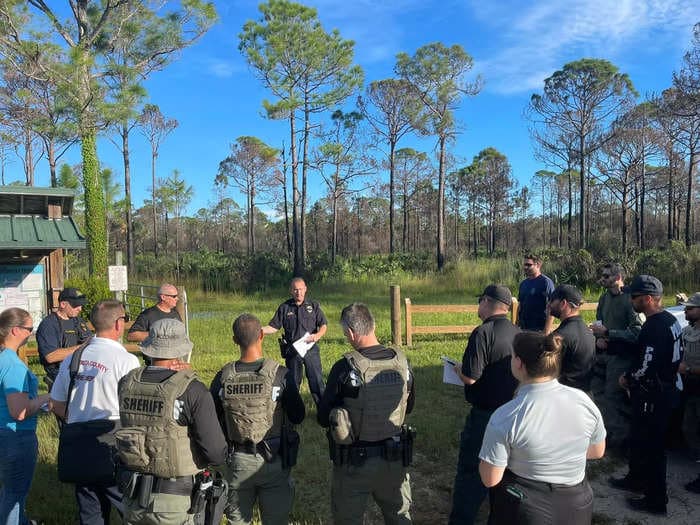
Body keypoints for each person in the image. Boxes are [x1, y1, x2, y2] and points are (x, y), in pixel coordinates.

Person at [479, 332, 606, 525]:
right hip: (577, 505)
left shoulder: (507, 415)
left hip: (525, 507)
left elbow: (490, 478)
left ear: (519, 363)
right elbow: (597, 451)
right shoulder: (584, 401)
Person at [117, 318, 228, 524]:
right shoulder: (192, 390)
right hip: (174, 503)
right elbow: (215, 453)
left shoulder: (126, 383)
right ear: (181, 350)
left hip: (132, 499)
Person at [318, 303, 414, 525]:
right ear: (374, 325)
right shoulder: (401, 363)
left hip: (355, 464)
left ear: (351, 333)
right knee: (399, 517)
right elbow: (407, 407)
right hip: (395, 459)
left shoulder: (345, 368)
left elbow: (324, 417)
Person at [51, 300, 141, 525]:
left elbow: (55, 403)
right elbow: (136, 408)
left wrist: (77, 419)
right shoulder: (126, 360)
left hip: (79, 445)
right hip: (113, 444)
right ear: (119, 324)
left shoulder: (74, 358)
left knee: (90, 512)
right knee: (130, 509)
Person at [211, 313, 305, 525]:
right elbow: (298, 415)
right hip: (274, 461)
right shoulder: (281, 375)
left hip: (237, 463)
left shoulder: (223, 377)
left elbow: (213, 419)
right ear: (262, 335)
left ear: (235, 340)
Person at [609, 275, 683, 515]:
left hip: (654, 394)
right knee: (640, 439)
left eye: (636, 297)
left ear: (649, 299)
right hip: (665, 388)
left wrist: (628, 378)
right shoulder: (670, 320)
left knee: (653, 447)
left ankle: (655, 500)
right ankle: (636, 479)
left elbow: (647, 363)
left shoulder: (654, 326)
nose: (632, 300)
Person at [448, 285, 521, 525]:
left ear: (488, 302)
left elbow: (471, 377)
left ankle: (462, 520)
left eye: (480, 300)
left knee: (471, 471)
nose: (478, 305)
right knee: (504, 471)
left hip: (485, 416)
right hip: (512, 413)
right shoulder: (517, 332)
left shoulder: (483, 332)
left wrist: (458, 369)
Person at [0, 308, 50, 525]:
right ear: (15, 330)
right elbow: (19, 412)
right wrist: (47, 397)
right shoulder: (13, 365)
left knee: (8, 491)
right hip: (16, 436)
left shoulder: (3, 358)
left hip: (4, 433)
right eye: (29, 329)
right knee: (15, 496)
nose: (31, 333)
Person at [589, 263, 643, 450]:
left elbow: (637, 332)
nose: (602, 279)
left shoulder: (630, 300)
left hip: (622, 356)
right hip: (604, 354)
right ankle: (606, 436)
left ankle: (621, 442)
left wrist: (610, 333)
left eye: (607, 276)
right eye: (602, 276)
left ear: (618, 277)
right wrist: (599, 337)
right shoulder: (604, 298)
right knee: (599, 394)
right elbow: (599, 322)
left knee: (615, 397)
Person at [262, 277, 327, 404]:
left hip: (310, 350)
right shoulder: (284, 308)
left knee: (317, 382)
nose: (299, 292)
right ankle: (293, 416)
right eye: (296, 290)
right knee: (293, 384)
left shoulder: (313, 306)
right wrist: (259, 330)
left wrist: (317, 335)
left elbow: (323, 324)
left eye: (301, 289)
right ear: (291, 291)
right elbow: (273, 327)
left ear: (305, 289)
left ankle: (323, 413)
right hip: (293, 352)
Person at [36, 287, 92, 383]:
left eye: (81, 305)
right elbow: (50, 356)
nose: (80, 309)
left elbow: (89, 340)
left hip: (78, 372)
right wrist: (82, 348)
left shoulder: (78, 321)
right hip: (58, 376)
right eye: (76, 305)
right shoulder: (49, 324)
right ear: (63, 304)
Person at [549, 284, 596, 392]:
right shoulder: (588, 332)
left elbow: (547, 373)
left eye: (551, 300)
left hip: (565, 396)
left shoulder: (559, 336)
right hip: (585, 395)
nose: (549, 304)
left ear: (563, 303)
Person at [678, 292, 700, 493]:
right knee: (689, 428)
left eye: (690, 308)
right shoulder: (688, 331)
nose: (686, 310)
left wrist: (689, 369)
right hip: (691, 388)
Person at [516, 254, 554, 333]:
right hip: (524, 329)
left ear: (538, 265)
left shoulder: (546, 283)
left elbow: (551, 307)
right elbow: (520, 305)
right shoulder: (523, 284)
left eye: (528, 265)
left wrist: (546, 331)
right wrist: (517, 323)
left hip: (539, 329)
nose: (525, 267)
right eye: (524, 265)